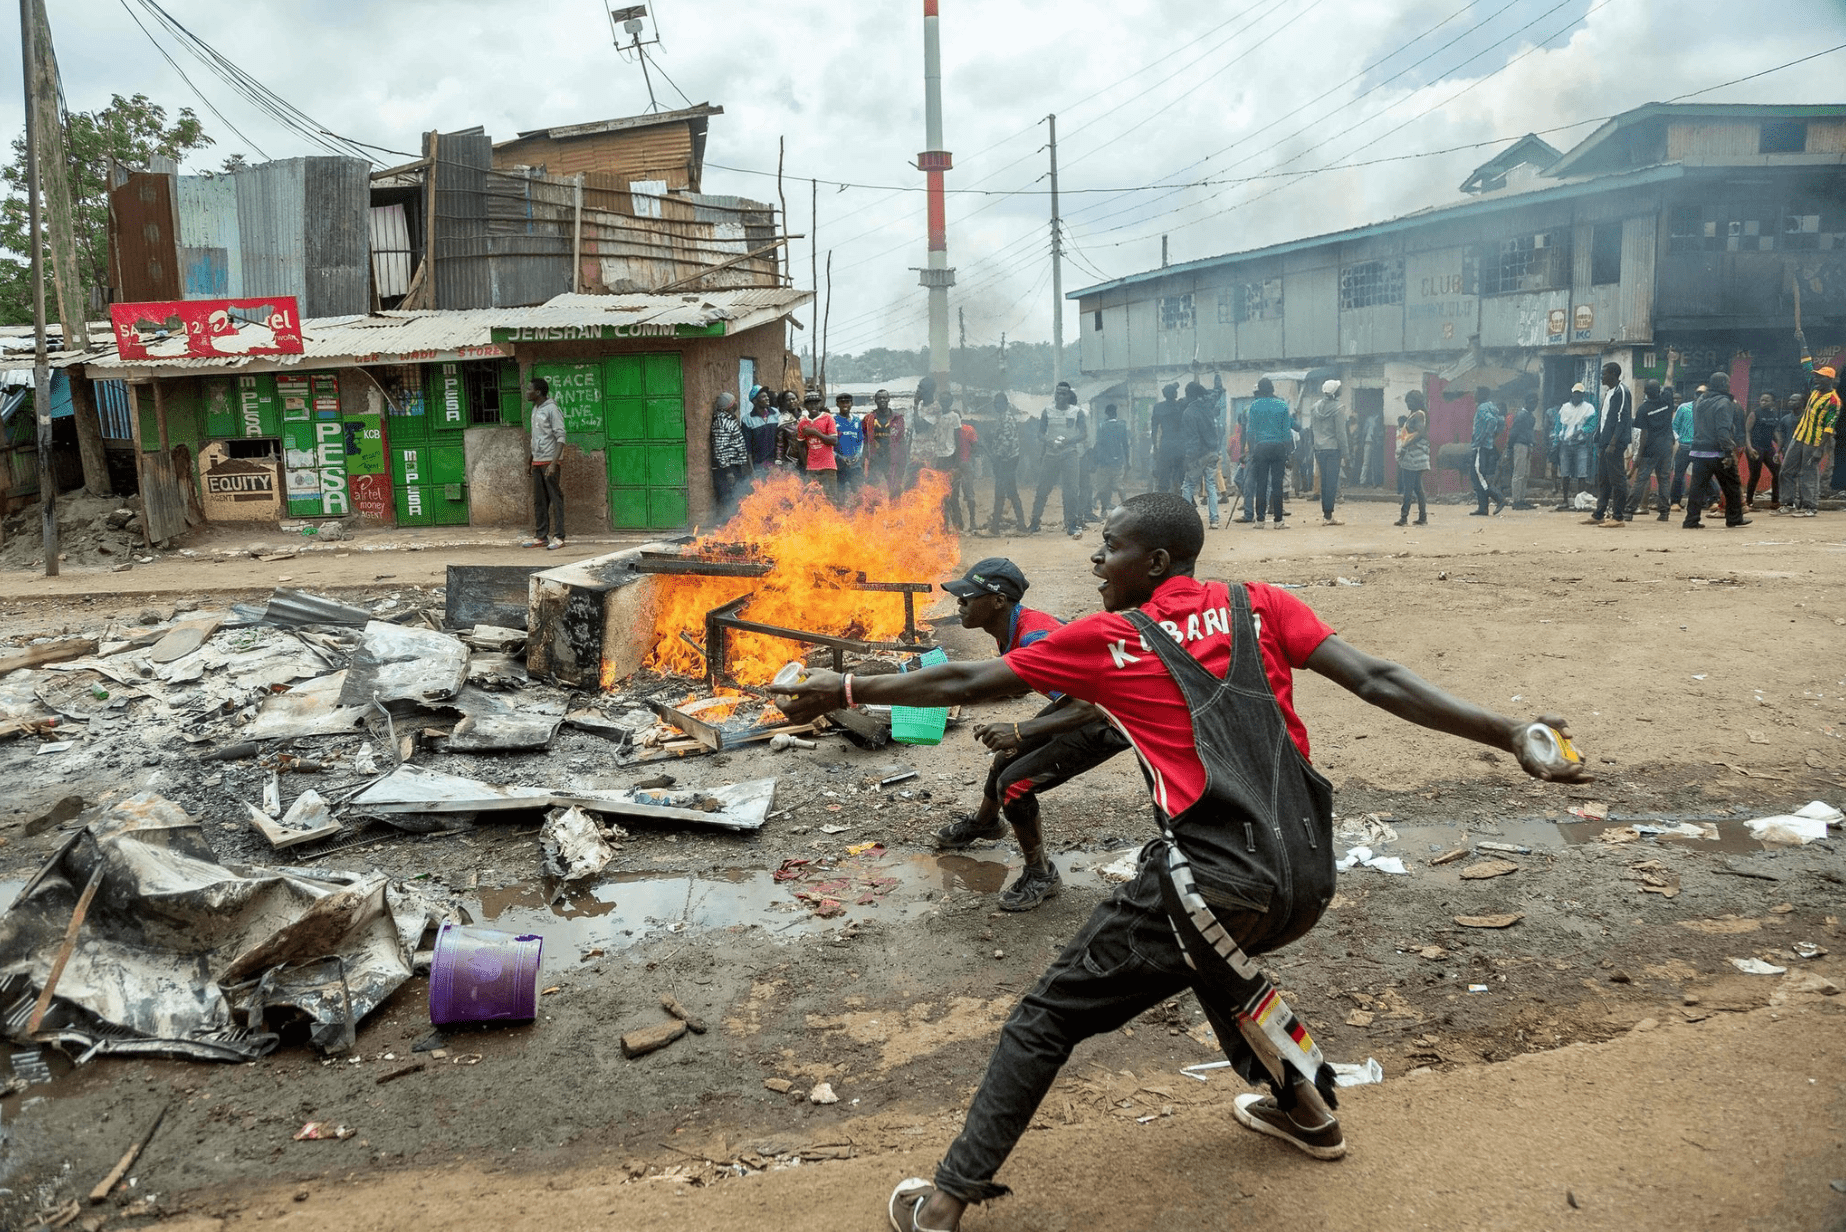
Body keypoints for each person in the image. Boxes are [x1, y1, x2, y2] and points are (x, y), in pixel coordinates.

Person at [773, 493, 1587, 1232]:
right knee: (1216, 967)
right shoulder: (1259, 606)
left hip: (1210, 882)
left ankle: (946, 1200)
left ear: (1155, 563)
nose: (1095, 561)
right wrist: (1509, 732)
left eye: (1109, 546)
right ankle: (1308, 1112)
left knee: (1047, 1017)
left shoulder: (1114, 640)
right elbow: (1377, 678)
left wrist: (844, 689)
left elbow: (968, 677)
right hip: (1304, 876)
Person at [930, 558, 1129, 911]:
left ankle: (1041, 874)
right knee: (1004, 758)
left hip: (1111, 718)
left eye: (967, 598)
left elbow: (1088, 707)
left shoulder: (1035, 637)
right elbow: (1032, 683)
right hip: (1084, 703)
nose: (959, 605)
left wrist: (1020, 729)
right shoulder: (1012, 627)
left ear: (997, 601)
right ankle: (986, 824)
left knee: (1016, 784)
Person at [1782, 331, 1838, 518]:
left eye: (1820, 377)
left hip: (1814, 441)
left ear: (1828, 380)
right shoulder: (1815, 388)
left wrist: (1818, 450)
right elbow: (1806, 364)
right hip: (1799, 436)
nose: (1816, 378)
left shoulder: (1834, 401)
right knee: (1786, 470)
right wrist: (1802, 342)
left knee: (1808, 473)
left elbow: (1829, 428)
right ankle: (1788, 503)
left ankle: (1810, 506)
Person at [1683, 372, 1749, 529]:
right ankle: (1734, 518)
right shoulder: (1724, 402)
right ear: (1724, 384)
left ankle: (1691, 520)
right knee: (1732, 486)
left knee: (1697, 488)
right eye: (1727, 382)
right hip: (1717, 451)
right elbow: (1722, 430)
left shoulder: (1700, 400)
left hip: (1698, 450)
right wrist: (1728, 452)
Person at [1029, 383, 1086, 539]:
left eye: (1063, 394)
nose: (1060, 396)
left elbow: (1083, 434)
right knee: (1042, 489)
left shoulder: (1077, 412)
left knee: (1071, 491)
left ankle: (1071, 524)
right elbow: (1040, 434)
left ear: (1069, 396)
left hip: (1069, 453)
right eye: (1058, 393)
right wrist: (1049, 442)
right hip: (1051, 453)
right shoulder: (1047, 412)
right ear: (1054, 395)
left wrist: (1068, 441)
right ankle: (1034, 522)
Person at [523, 377, 566, 550]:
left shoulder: (552, 409)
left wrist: (554, 463)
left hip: (549, 461)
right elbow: (536, 437)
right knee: (539, 501)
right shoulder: (535, 409)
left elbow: (561, 437)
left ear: (538, 392)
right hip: (537, 461)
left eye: (529, 389)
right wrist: (530, 461)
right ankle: (541, 536)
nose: (527, 392)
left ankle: (559, 537)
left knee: (556, 499)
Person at [1588, 364, 1633, 527]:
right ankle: (1599, 514)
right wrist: (1599, 439)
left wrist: (1613, 443)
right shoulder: (1609, 393)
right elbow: (1605, 419)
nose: (1601, 376)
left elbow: (1622, 419)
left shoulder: (1622, 392)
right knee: (1604, 479)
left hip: (1614, 443)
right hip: (1605, 443)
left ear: (1613, 374)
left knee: (1617, 480)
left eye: (1603, 374)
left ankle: (1618, 517)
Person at [1623, 380, 1675, 522]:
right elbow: (1669, 379)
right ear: (1659, 390)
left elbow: (1644, 434)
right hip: (1667, 446)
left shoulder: (1643, 409)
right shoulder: (1667, 400)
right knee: (1664, 479)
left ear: (1645, 392)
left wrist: (1638, 455)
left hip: (1650, 449)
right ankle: (1664, 513)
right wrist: (1670, 361)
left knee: (1641, 479)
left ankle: (1628, 511)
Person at [1245, 377, 1292, 528]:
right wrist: (1288, 452)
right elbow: (1286, 433)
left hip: (1261, 447)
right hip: (1279, 447)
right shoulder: (1282, 405)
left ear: (1259, 390)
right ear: (1272, 389)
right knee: (1277, 484)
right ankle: (1278, 520)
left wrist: (1252, 450)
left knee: (1262, 484)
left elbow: (1250, 431)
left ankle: (1260, 520)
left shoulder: (1254, 406)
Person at [1180, 380, 1223, 529]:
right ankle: (1214, 520)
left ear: (1188, 395)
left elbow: (1193, 440)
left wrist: (1188, 458)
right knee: (1211, 486)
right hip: (1212, 452)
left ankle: (1185, 520)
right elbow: (1217, 391)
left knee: (1188, 486)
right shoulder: (1208, 406)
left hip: (1198, 455)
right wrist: (1217, 375)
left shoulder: (1188, 413)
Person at [984, 393, 1025, 533]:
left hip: (1006, 460)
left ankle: (996, 527)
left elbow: (1006, 441)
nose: (997, 406)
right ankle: (1020, 524)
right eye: (995, 403)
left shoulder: (1006, 419)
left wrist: (996, 457)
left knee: (1003, 493)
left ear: (1006, 404)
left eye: (999, 403)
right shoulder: (1003, 418)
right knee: (1010, 492)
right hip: (1007, 459)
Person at [1308, 379, 1347, 526]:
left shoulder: (1314, 408)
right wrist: (1346, 454)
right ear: (1336, 392)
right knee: (1331, 483)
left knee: (1324, 482)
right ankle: (1328, 515)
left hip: (1319, 449)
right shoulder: (1339, 408)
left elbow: (1312, 429)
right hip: (1333, 449)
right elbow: (1341, 434)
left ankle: (1326, 514)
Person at [709, 391, 752, 521]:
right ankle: (726, 525)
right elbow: (720, 449)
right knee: (728, 497)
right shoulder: (721, 422)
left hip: (735, 465)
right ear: (729, 406)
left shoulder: (729, 418)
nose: (737, 404)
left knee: (736, 496)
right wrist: (728, 472)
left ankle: (734, 523)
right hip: (727, 468)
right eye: (734, 402)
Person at [1553, 384, 1596, 510]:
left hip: (1581, 444)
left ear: (1583, 395)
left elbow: (1592, 425)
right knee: (1565, 473)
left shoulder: (1589, 408)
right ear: (1572, 393)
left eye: (1580, 393)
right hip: (1565, 444)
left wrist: (1582, 431)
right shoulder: (1564, 408)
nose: (1577, 395)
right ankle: (1565, 500)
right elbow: (1558, 425)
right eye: (1575, 393)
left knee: (1581, 474)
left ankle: (1580, 502)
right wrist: (1557, 439)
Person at [1393, 390, 1430, 526]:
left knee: (1408, 487)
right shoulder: (1419, 414)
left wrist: (1405, 446)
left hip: (1412, 455)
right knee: (1417, 487)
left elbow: (1420, 432)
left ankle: (1404, 518)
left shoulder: (1418, 415)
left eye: (1410, 401)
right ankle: (1422, 517)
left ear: (1416, 402)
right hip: (1418, 455)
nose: (1408, 403)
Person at [1468, 388, 1507, 517]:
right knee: (1479, 475)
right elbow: (1501, 420)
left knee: (1478, 476)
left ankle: (1499, 498)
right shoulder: (1492, 407)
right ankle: (1482, 508)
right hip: (1487, 446)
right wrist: (1493, 435)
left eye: (1476, 393)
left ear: (1480, 395)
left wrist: (1484, 437)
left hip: (1480, 446)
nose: (1474, 396)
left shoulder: (1482, 408)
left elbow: (1491, 421)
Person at [862, 389, 907, 499]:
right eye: (879, 398)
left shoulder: (898, 418)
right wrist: (865, 459)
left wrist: (902, 460)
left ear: (888, 399)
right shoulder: (868, 419)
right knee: (872, 490)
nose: (882, 400)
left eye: (884, 398)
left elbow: (902, 440)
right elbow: (864, 439)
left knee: (895, 489)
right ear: (875, 400)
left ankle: (895, 513)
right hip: (875, 459)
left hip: (891, 459)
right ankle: (873, 513)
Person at [1743, 391, 1783, 511]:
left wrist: (1779, 448)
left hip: (1768, 447)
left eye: (1766, 400)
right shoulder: (1755, 413)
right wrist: (1749, 448)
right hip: (1755, 447)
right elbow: (1747, 432)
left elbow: (1775, 432)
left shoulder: (1774, 414)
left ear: (1773, 402)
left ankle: (1775, 502)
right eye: (1762, 400)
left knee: (1777, 472)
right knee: (1755, 475)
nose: (1763, 402)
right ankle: (1749, 502)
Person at [798, 390, 840, 502]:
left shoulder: (828, 418)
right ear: (805, 406)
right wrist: (806, 463)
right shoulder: (802, 423)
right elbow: (801, 446)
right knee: (811, 500)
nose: (813, 406)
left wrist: (815, 432)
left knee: (831, 499)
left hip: (828, 467)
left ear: (820, 404)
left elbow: (833, 440)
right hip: (812, 469)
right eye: (810, 403)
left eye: (816, 403)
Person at [1092, 403, 1129, 519]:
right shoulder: (1121, 426)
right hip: (1117, 461)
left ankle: (1103, 510)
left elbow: (1099, 445)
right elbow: (1125, 445)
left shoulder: (1102, 427)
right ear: (1116, 412)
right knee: (1119, 486)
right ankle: (1127, 509)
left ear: (1106, 413)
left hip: (1104, 462)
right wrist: (1127, 461)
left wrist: (1096, 460)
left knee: (1104, 487)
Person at [1150, 382, 1187, 495]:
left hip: (1165, 444)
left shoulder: (1158, 407)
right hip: (1180, 445)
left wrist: (1155, 447)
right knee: (1181, 478)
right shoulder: (1181, 405)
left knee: (1164, 477)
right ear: (1175, 394)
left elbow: (1154, 430)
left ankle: (1164, 502)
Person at [1508, 392, 1538, 509]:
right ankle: (1516, 501)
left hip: (1527, 445)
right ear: (1526, 403)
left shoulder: (1530, 416)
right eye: (1532, 402)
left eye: (1535, 403)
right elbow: (1514, 432)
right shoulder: (1521, 415)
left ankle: (1521, 499)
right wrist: (1510, 447)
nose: (1534, 405)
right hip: (1520, 445)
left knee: (1525, 474)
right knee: (1519, 474)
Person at [833, 393, 864, 501]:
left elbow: (861, 440)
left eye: (847, 402)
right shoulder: (833, 420)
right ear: (837, 404)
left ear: (851, 404)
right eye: (842, 402)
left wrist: (858, 455)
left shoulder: (857, 420)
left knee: (860, 494)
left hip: (855, 464)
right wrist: (839, 457)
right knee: (840, 495)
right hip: (839, 464)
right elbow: (829, 445)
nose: (845, 405)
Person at [742, 385, 779, 475]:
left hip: (776, 463)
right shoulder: (747, 419)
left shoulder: (776, 413)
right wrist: (752, 469)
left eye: (767, 396)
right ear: (755, 401)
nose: (767, 398)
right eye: (763, 397)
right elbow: (748, 446)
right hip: (759, 464)